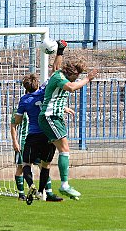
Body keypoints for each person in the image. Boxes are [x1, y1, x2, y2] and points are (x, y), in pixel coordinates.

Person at [38, 47, 98, 200]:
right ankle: (64, 184)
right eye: (77, 75)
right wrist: (88, 79)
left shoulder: (59, 75)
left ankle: (43, 191)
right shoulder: (59, 78)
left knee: (47, 158)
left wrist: (60, 51)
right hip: (49, 117)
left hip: (54, 116)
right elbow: (72, 88)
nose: (77, 78)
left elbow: (56, 67)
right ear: (70, 73)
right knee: (64, 148)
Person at [13, 40, 68, 204]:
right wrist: (60, 51)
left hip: (33, 135)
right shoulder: (44, 91)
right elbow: (56, 71)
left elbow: (17, 120)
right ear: (37, 84)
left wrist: (19, 118)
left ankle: (31, 185)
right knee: (46, 165)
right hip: (48, 134)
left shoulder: (24, 100)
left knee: (26, 164)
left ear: (25, 87)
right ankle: (43, 191)